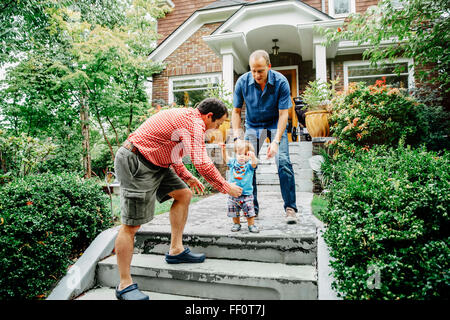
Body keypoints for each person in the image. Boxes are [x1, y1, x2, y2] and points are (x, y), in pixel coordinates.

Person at [113, 98, 243, 300]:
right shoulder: (194, 123)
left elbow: (173, 152)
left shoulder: (188, 120)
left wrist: (186, 176)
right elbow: (201, 162)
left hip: (157, 163)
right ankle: (124, 284)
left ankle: (175, 250)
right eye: (217, 124)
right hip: (136, 160)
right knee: (131, 225)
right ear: (209, 116)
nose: (215, 129)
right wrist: (225, 186)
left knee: (184, 194)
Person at [232, 49, 299, 224]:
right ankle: (251, 206)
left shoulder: (281, 82)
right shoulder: (242, 82)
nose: (256, 74)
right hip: (253, 125)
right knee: (247, 163)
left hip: (275, 124)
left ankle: (290, 208)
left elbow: (284, 114)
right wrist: (238, 137)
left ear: (269, 66)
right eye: (253, 70)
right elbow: (236, 112)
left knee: (283, 161)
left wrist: (276, 141)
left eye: (260, 70)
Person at [220, 140, 259, 233]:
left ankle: (251, 225)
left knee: (249, 211)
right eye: (239, 153)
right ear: (236, 153)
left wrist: (253, 157)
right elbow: (226, 159)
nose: (242, 156)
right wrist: (223, 150)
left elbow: (254, 163)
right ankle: (236, 223)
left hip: (247, 194)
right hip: (233, 194)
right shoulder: (233, 162)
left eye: (245, 154)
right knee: (234, 211)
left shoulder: (249, 165)